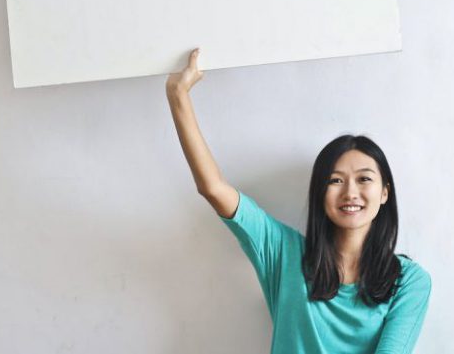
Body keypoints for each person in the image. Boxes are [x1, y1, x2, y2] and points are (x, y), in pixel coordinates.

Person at [166, 48, 431, 354]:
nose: (350, 193)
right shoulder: (284, 253)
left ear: (385, 192)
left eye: (364, 179)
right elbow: (213, 188)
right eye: (335, 180)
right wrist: (178, 94)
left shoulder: (409, 281)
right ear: (321, 192)